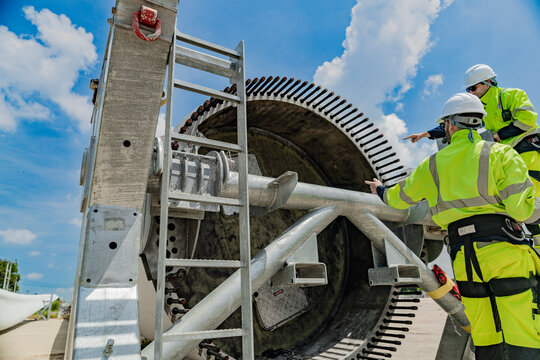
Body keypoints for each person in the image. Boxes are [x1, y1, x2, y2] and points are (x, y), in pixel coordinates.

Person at [366, 92, 540, 359]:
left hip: (463, 257)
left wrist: (381, 190)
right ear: (479, 122)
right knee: (521, 329)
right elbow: (521, 209)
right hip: (504, 251)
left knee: (485, 335)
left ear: (450, 125)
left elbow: (399, 199)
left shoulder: (432, 165)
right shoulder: (502, 154)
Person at [405, 64, 540, 238]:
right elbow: (460, 122)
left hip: (528, 151)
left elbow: (527, 120)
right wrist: (427, 134)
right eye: (469, 89)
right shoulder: (480, 107)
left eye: (473, 87)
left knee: (531, 198)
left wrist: (498, 135)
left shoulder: (512, 95)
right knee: (522, 203)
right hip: (507, 157)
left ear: (488, 82)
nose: (471, 92)